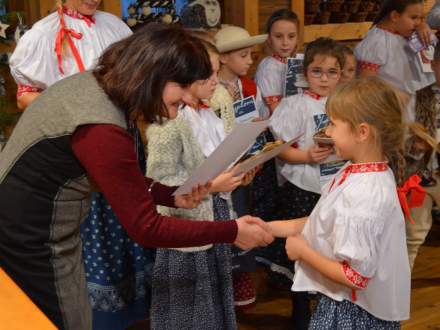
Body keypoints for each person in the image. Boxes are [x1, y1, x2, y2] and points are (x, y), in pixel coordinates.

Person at [0, 24, 273, 330]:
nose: (183, 101)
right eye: (182, 87)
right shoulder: (100, 125)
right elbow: (146, 227)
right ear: (154, 73)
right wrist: (231, 230)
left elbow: (121, 177)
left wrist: (169, 194)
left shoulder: (101, 87)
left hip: (42, 232)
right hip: (28, 240)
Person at [9, 1, 153, 328]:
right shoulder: (42, 35)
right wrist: (77, 108)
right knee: (88, 237)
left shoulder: (114, 27)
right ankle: (98, 316)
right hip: (82, 147)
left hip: (117, 138)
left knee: (128, 221)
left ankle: (130, 309)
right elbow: (25, 97)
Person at [271, 77, 410, 329]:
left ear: (362, 132)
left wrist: (303, 252)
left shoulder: (364, 193)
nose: (327, 133)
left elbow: (354, 276)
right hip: (341, 303)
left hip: (353, 313)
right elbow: (324, 220)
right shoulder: (358, 170)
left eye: (333, 124)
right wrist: (269, 228)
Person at [146, 36, 245, 330]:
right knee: (189, 304)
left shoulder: (214, 106)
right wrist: (213, 185)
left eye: (216, 72)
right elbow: (160, 184)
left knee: (215, 295)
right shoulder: (169, 121)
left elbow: (223, 150)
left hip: (216, 213)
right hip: (186, 224)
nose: (216, 81)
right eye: (208, 74)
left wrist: (240, 170)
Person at [269, 37, 345, 330]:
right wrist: (306, 155)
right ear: (304, 73)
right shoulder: (294, 105)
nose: (324, 79)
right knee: (302, 250)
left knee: (330, 251)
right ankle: (300, 314)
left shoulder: (345, 103)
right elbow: (279, 148)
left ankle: (328, 312)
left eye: (332, 72)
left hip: (336, 187)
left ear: (340, 74)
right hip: (303, 187)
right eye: (317, 71)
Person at [213, 24, 267, 310]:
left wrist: (254, 157)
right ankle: (221, 279)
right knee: (224, 219)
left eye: (251, 55)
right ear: (223, 58)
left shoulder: (248, 87)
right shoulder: (210, 90)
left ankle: (240, 276)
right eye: (244, 55)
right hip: (221, 166)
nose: (250, 61)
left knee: (243, 213)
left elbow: (256, 122)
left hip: (245, 164)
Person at [355, 0, 435, 122]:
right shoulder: (376, 42)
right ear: (395, 16)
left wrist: (423, 26)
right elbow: (365, 85)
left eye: (421, 18)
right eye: (414, 17)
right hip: (397, 116)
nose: (418, 23)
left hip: (422, 113)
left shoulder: (411, 35)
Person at [404, 42, 440, 270]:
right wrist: (415, 146)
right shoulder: (418, 98)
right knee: (412, 235)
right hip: (423, 177)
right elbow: (402, 137)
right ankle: (400, 288)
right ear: (434, 65)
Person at [255, 8, 300, 115]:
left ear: (297, 38)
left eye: (291, 36)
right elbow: (274, 108)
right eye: (278, 36)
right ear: (269, 38)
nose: (285, 42)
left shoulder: (296, 63)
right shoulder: (268, 67)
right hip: (275, 123)